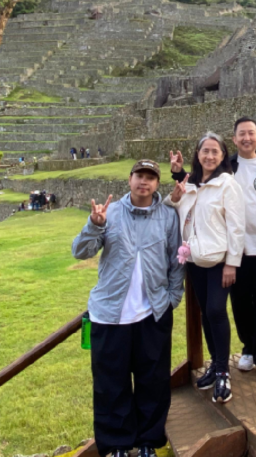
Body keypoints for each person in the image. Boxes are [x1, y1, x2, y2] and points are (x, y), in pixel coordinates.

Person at [72, 160, 183, 457]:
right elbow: (80, 251)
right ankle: (118, 445)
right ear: (130, 179)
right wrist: (94, 225)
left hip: (153, 313)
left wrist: (172, 297)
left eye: (150, 177)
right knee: (111, 383)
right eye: (139, 176)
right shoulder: (111, 213)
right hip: (110, 313)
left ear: (157, 184)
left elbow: (175, 260)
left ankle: (149, 441)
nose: (143, 182)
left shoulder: (167, 217)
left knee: (154, 380)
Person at [170, 117, 256, 384]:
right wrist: (177, 177)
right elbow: (193, 191)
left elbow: (248, 216)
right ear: (234, 139)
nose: (246, 138)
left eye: (251, 133)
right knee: (239, 304)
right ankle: (248, 349)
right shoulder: (224, 169)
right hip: (224, 253)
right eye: (241, 134)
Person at [165, 133, 245, 404]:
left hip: (219, 261)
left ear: (223, 156)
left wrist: (232, 263)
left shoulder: (227, 185)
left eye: (215, 151)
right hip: (194, 260)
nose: (210, 156)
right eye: (205, 151)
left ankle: (223, 371)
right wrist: (175, 192)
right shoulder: (190, 185)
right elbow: (177, 210)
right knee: (205, 314)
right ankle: (215, 363)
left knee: (215, 310)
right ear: (197, 154)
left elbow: (237, 226)